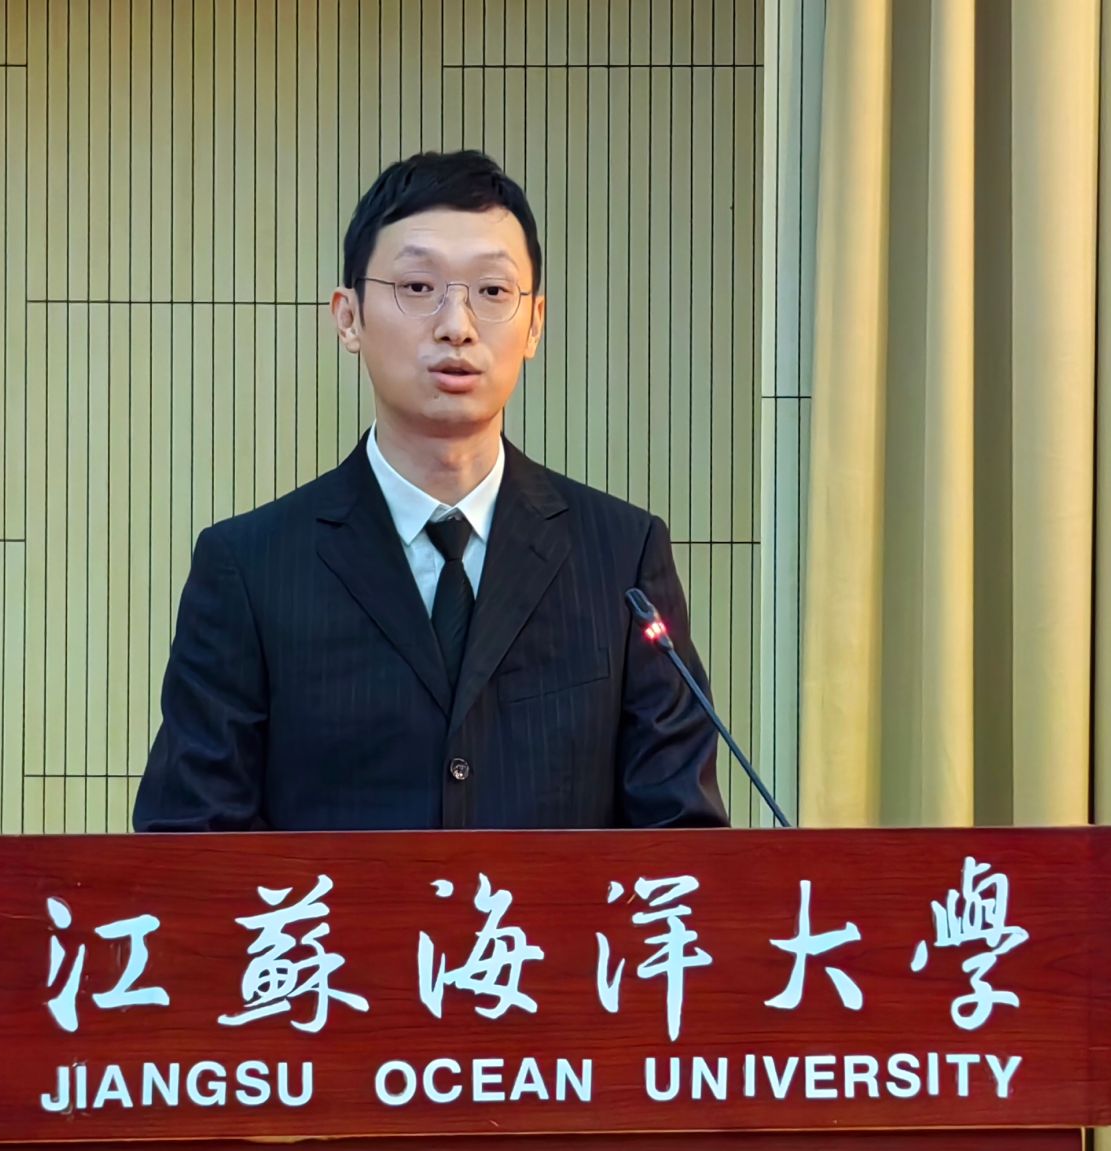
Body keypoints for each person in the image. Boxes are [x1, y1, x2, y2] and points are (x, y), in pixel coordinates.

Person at [132, 149, 728, 832]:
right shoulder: (249, 567)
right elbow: (190, 841)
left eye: (493, 291)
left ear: (535, 322)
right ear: (348, 317)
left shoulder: (621, 558)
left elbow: (681, 844)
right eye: (418, 287)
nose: (457, 325)